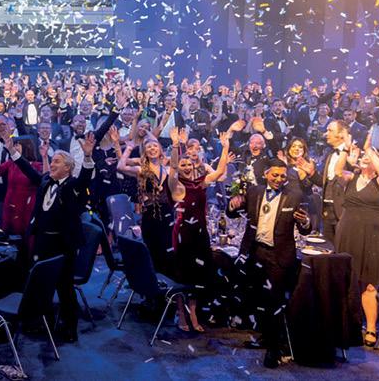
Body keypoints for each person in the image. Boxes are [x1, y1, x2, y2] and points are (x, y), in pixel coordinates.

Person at [9, 133, 96, 343]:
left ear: (68, 167)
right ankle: (43, 323)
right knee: (41, 284)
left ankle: (70, 328)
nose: (52, 164)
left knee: (64, 287)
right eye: (53, 160)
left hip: (63, 244)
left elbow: (85, 178)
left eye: (57, 161)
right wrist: (11, 150)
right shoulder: (46, 181)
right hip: (43, 241)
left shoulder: (73, 185)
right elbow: (28, 170)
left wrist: (87, 156)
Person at [227, 158, 312, 368]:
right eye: (275, 175)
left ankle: (274, 350)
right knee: (258, 298)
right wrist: (232, 205)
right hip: (255, 252)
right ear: (266, 174)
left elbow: (305, 228)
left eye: (283, 176)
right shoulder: (254, 192)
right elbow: (232, 213)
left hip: (279, 256)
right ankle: (265, 337)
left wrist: (305, 222)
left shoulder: (295, 195)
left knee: (274, 302)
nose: (279, 179)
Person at [169, 128, 234, 332]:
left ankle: (194, 312)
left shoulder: (200, 183)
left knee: (198, 273)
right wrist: (176, 146)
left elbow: (219, 172)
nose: (187, 167)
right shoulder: (175, 185)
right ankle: (181, 312)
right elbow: (173, 167)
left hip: (200, 232)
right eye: (183, 165)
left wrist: (225, 148)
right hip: (183, 234)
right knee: (183, 274)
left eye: (189, 164)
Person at [332, 143, 379, 347]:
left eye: (371, 157)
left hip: (373, 236)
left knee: (369, 284)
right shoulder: (351, 178)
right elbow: (337, 171)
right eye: (364, 157)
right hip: (348, 232)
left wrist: (370, 151)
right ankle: (343, 321)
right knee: (346, 279)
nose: (366, 158)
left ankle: (371, 328)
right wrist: (345, 151)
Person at [118, 138, 184, 273]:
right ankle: (154, 279)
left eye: (155, 146)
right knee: (154, 249)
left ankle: (169, 275)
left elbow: (177, 166)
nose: (152, 148)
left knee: (168, 246)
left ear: (160, 150)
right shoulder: (141, 169)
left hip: (167, 213)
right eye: (149, 147)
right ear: (145, 152)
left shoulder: (167, 169)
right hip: (150, 215)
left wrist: (177, 145)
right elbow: (120, 167)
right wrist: (128, 149)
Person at [0, 137, 45, 237]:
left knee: (25, 234)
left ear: (26, 146)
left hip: (27, 205)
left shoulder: (37, 165)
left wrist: (45, 157)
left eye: (16, 145)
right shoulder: (11, 163)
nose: (13, 148)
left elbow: (45, 178)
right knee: (8, 234)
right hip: (10, 203)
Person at [313, 120, 351, 243]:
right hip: (327, 208)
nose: (326, 134)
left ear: (342, 134)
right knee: (328, 247)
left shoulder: (353, 153)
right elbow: (326, 182)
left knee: (343, 247)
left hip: (343, 211)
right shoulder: (330, 154)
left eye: (330, 130)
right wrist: (311, 174)